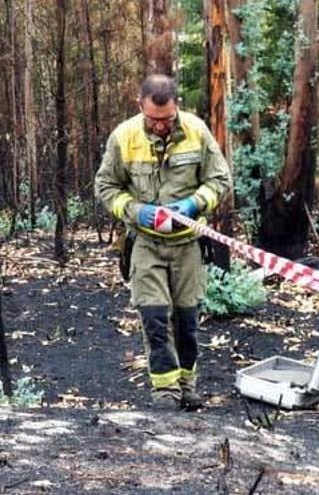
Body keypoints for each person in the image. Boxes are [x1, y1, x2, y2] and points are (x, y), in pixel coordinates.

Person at [95, 74, 232, 411]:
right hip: (146, 243)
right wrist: (135, 211)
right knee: (154, 317)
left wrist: (193, 204)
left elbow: (220, 179)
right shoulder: (124, 137)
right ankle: (165, 391)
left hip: (187, 244)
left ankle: (187, 385)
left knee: (187, 320)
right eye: (153, 120)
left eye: (167, 119)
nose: (160, 126)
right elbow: (105, 186)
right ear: (140, 106)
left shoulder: (197, 132)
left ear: (177, 108)